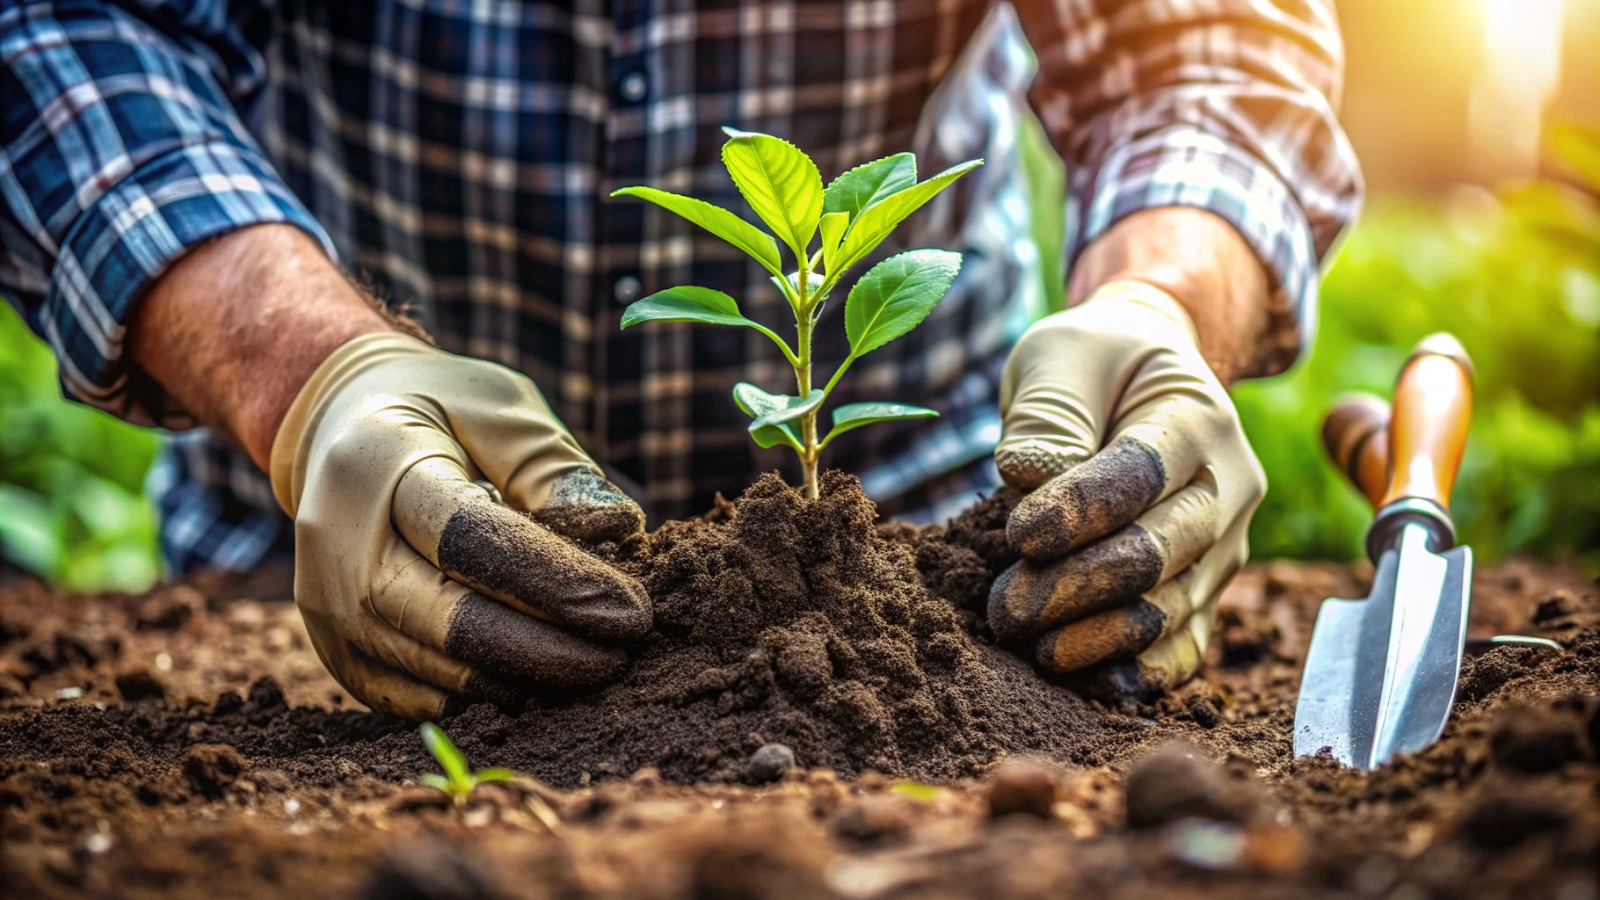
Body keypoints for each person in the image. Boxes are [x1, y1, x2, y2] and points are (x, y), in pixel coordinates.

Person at [0, 1, 1361, 719]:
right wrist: (305, 379)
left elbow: (1204, 48)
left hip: (938, 599)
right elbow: (65, 19)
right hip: (345, 556)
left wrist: (1162, 301)